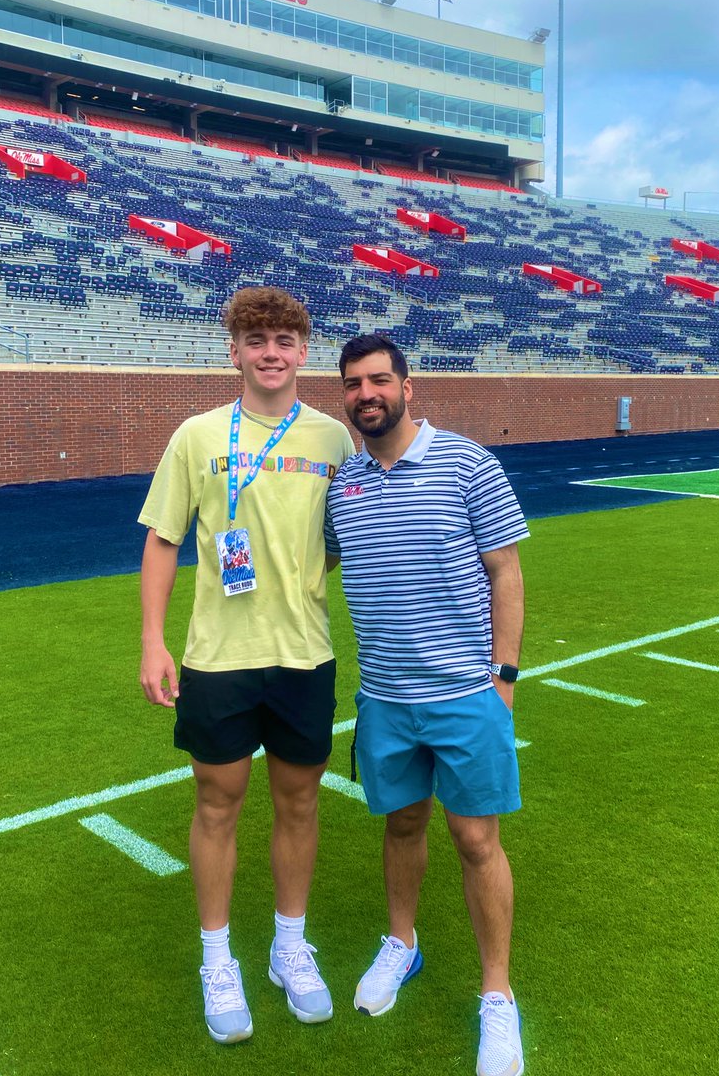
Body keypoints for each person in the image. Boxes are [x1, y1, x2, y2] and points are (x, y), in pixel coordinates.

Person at [139, 285, 355, 1045]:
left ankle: (289, 947)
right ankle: (217, 957)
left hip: (304, 654)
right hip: (218, 658)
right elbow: (164, 539)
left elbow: (345, 541)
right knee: (217, 804)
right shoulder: (196, 436)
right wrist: (153, 641)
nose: (271, 353)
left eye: (285, 340)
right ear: (233, 350)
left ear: (304, 352)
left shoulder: (334, 440)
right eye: (256, 339)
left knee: (299, 804)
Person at [324, 334, 529, 1076]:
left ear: (408, 388)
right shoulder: (341, 485)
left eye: (379, 379)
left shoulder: (468, 463)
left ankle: (497, 997)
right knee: (403, 824)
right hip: (384, 700)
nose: (366, 393)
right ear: (343, 396)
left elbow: (505, 571)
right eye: (353, 383)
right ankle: (401, 945)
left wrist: (502, 679)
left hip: (465, 695)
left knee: (478, 842)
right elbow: (301, 564)